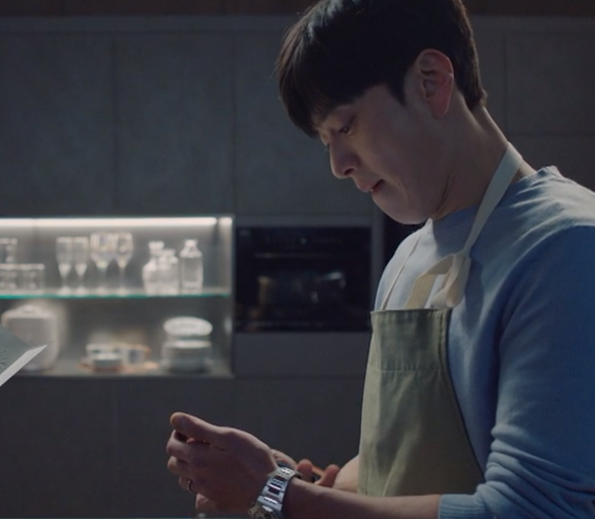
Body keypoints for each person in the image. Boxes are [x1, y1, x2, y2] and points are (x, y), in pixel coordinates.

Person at [166, 0, 595, 517]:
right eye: (326, 141)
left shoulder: (566, 247)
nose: (338, 165)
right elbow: (395, 465)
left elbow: (533, 508)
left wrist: (279, 496)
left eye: (345, 126)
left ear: (431, 81)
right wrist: (290, 481)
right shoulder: (408, 259)